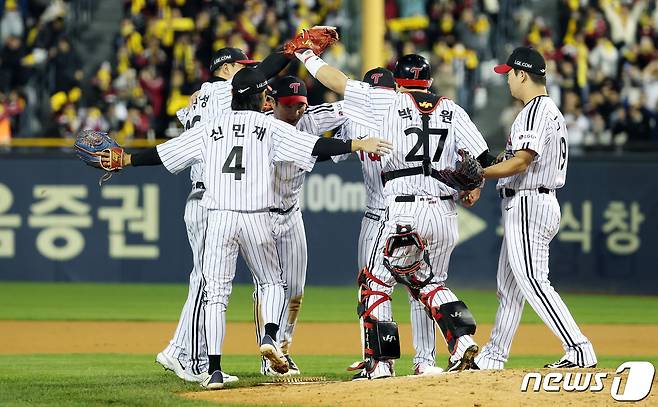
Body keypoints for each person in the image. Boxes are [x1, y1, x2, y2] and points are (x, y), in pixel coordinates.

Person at [103, 67, 392, 389]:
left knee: (216, 296)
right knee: (272, 284)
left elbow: (162, 153)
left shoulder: (212, 126)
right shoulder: (267, 126)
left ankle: (213, 369)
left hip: (221, 217)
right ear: (262, 98)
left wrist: (125, 160)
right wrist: (356, 145)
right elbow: (316, 148)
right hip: (258, 216)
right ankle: (269, 336)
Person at [293, 46, 492, 378]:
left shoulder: (386, 101)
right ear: (428, 82)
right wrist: (475, 187)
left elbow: (334, 79)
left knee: (375, 285)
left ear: (398, 83)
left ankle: (382, 364)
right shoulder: (453, 110)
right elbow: (482, 162)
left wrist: (306, 54)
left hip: (404, 209)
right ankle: (450, 349)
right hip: (445, 212)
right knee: (427, 281)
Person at [156, 46, 290, 383]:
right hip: (214, 198)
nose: (252, 74)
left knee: (203, 281)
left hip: (204, 192)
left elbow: (185, 117)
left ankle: (181, 351)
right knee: (207, 283)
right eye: (244, 68)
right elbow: (264, 73)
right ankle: (189, 358)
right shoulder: (224, 92)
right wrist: (293, 48)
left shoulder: (200, 97)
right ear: (227, 68)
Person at [474, 46, 597, 369]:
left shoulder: (533, 111)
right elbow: (518, 159)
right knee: (510, 289)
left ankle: (579, 349)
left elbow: (521, 162)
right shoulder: (547, 111)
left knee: (533, 280)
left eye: (509, 75)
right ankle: (493, 356)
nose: (507, 81)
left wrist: (480, 173)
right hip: (530, 201)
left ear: (522, 74)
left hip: (530, 201)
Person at [333, 67, 443, 378]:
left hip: (382, 213)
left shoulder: (358, 117)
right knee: (417, 286)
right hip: (406, 211)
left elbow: (333, 154)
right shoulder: (405, 114)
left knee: (373, 288)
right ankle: (421, 360)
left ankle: (380, 362)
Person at [255, 75, 349, 376]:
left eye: (301, 105)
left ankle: (283, 349)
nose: (296, 111)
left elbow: (353, 107)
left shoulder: (311, 118)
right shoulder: (259, 126)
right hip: (259, 214)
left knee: (294, 288)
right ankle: (268, 355)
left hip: (291, 212)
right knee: (268, 287)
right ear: (273, 103)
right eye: (289, 105)